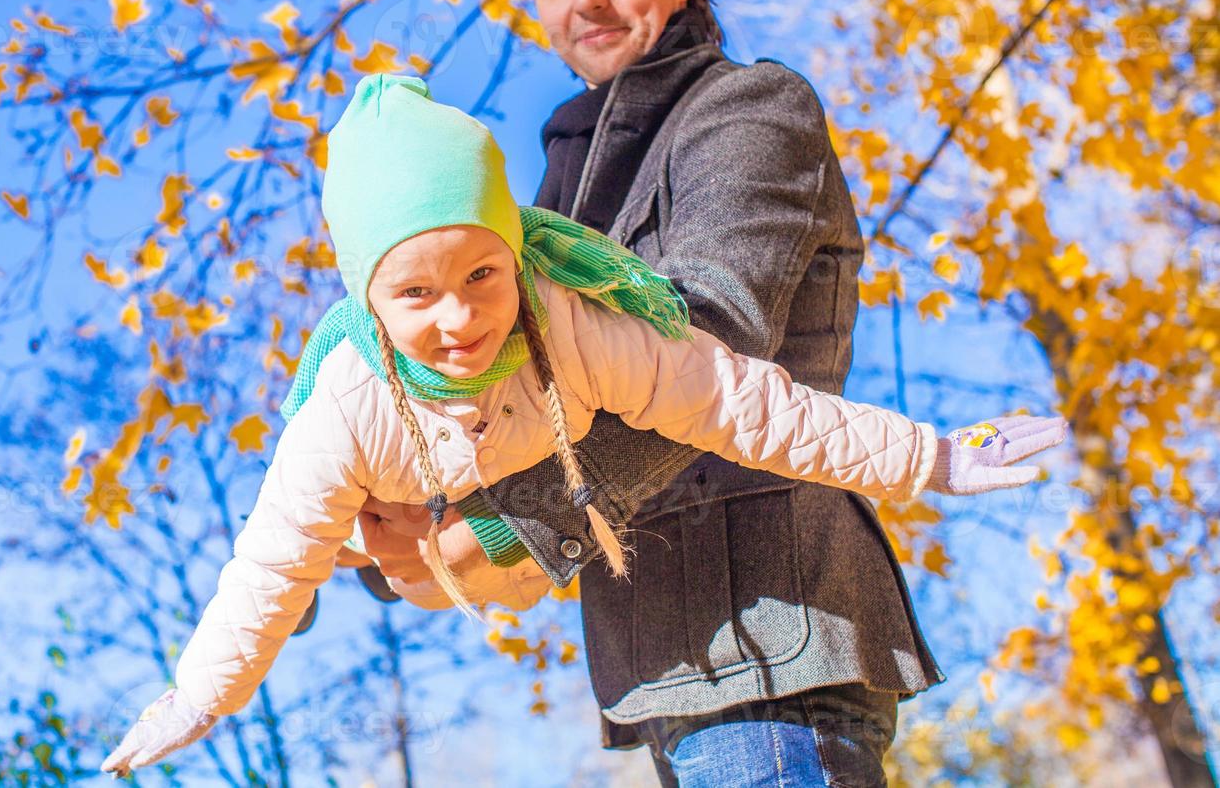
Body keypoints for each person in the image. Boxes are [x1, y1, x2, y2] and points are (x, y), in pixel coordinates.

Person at [99, 73, 1066, 776]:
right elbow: (267, 567)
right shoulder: (344, 406)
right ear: (366, 300)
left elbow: (745, 405)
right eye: (415, 292)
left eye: (482, 274)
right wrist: (201, 697)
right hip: (399, 472)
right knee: (299, 551)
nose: (459, 317)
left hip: (629, 559)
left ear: (518, 255)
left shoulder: (574, 321)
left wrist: (931, 456)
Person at [356, 0, 964, 784]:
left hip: (769, 646)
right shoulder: (555, 196)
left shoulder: (747, 106)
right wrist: (391, 512)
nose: (585, 0)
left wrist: (511, 532)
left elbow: (705, 343)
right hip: (664, 673)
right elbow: (523, 400)